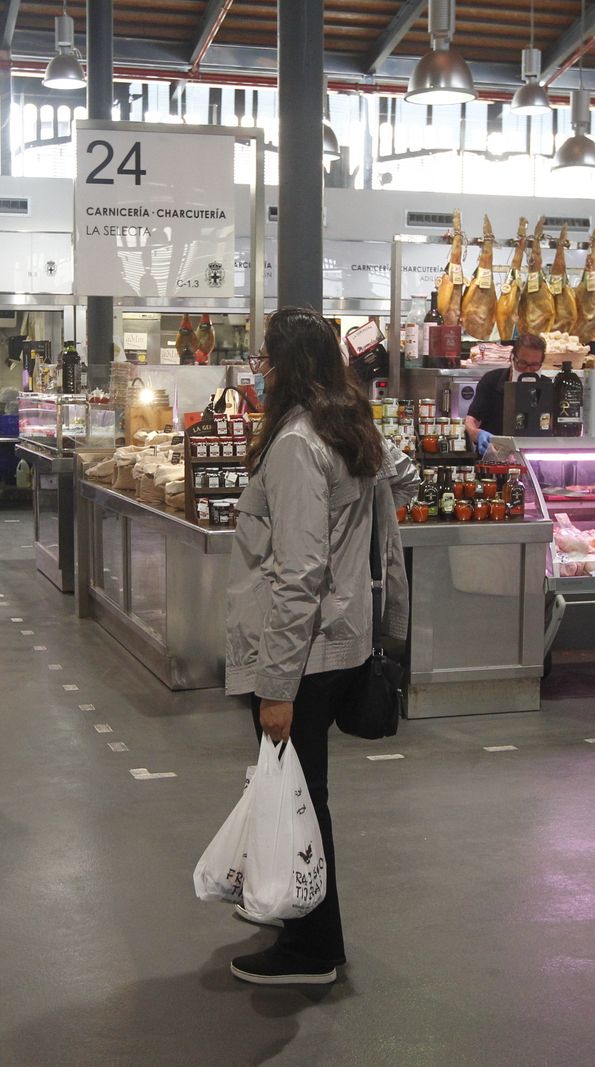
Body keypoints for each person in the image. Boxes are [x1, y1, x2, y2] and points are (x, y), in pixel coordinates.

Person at [222, 307, 414, 986]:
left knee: (300, 796)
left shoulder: (298, 444)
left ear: (290, 367)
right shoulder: (351, 428)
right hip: (340, 642)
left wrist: (277, 685)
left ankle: (313, 947)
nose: (260, 370)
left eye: (267, 359)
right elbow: (404, 483)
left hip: (301, 655)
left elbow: (298, 572)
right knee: (302, 792)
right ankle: (297, 911)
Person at [464, 333, 546, 453]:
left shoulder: (547, 386)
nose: (528, 370)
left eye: (534, 365)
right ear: (512, 359)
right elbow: (471, 421)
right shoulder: (492, 380)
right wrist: (478, 434)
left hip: (532, 457)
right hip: (494, 457)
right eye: (522, 364)